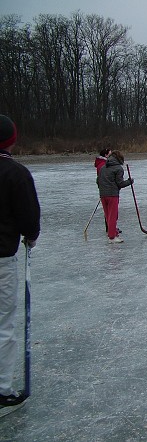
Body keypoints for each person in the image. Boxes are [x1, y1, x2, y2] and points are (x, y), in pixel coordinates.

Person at [0, 115, 40, 408]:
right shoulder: (15, 173)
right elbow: (29, 218)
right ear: (12, 139)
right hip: (2, 258)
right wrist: (31, 235)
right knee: (4, 322)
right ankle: (1, 388)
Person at [97, 150, 133, 243]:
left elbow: (98, 181)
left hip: (103, 194)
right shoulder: (118, 168)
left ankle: (113, 233)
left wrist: (103, 189)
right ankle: (112, 237)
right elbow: (120, 183)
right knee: (113, 215)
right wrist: (130, 181)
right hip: (112, 195)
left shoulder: (103, 167)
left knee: (108, 215)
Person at [94, 148, 111, 233]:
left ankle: (110, 227)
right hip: (106, 189)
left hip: (105, 188)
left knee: (108, 210)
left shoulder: (103, 163)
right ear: (106, 155)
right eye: (110, 154)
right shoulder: (103, 164)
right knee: (109, 210)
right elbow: (102, 177)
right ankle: (110, 227)